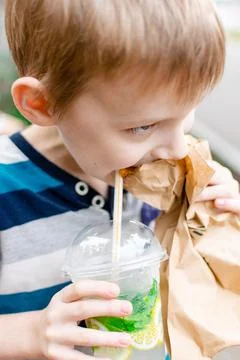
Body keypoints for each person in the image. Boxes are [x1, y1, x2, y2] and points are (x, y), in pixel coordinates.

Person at [1, 0, 239, 359]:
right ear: (42, 104)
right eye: (142, 126)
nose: (176, 149)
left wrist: (219, 220)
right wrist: (30, 333)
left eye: (188, 110)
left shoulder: (164, 181)